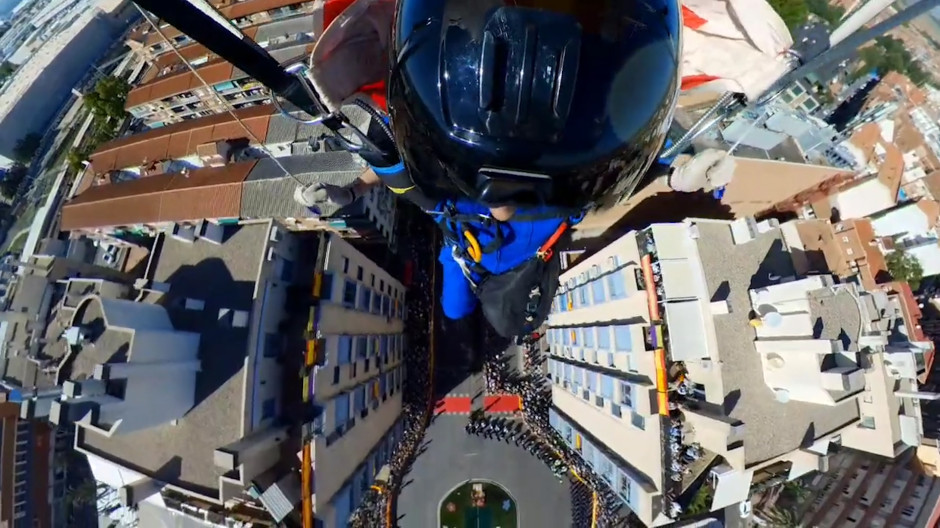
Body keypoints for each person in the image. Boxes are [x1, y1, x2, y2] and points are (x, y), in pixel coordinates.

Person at [300, 0, 685, 338]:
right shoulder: (475, 240)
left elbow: (611, 172)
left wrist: (671, 174)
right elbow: (399, 172)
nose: (505, 205)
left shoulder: (545, 220)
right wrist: (352, 189)